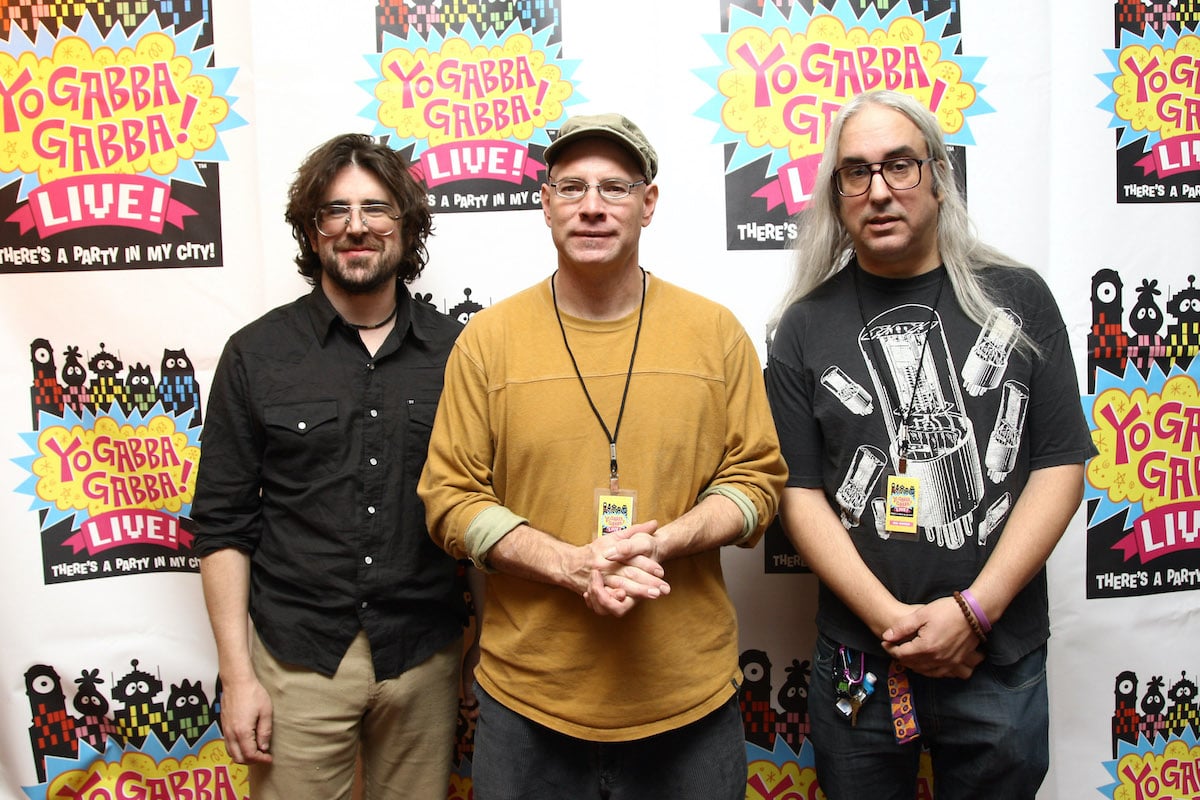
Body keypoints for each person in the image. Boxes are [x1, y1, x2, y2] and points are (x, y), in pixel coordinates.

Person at [418, 113, 786, 800]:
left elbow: (757, 479)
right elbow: (450, 497)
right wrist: (569, 565)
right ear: (545, 202)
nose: (592, 206)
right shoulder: (488, 342)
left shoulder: (715, 334)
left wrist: (667, 540)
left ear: (648, 203)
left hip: (688, 704)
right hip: (528, 708)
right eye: (572, 187)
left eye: (615, 188)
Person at [765, 90, 1097, 799]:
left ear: (939, 179)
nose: (879, 190)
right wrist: (894, 623)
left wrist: (973, 611)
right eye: (856, 172)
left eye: (899, 166)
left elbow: (1060, 467)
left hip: (995, 656)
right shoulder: (803, 327)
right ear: (836, 195)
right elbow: (801, 497)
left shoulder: (1017, 298)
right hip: (860, 658)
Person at [191, 133, 473, 800]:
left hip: (424, 658)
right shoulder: (256, 354)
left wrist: (482, 649)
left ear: (406, 227)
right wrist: (238, 676)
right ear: (311, 231)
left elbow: (481, 508)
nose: (356, 227)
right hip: (298, 658)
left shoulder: (461, 353)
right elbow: (222, 524)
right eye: (334, 211)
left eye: (376, 209)